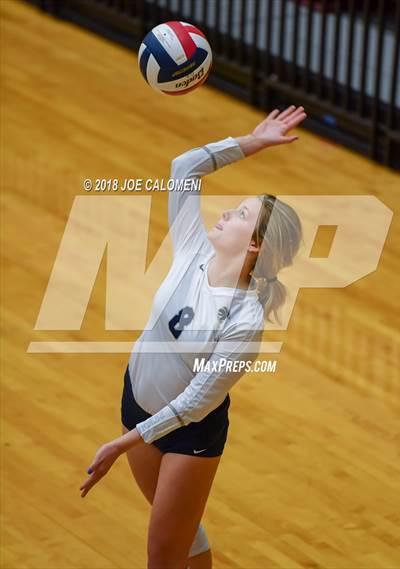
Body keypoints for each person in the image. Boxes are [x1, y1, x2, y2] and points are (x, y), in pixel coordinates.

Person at [79, 105, 306, 569]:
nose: (226, 211)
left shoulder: (245, 321)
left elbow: (195, 404)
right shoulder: (192, 247)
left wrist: (122, 444)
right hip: (135, 404)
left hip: (189, 435)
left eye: (241, 214)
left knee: (162, 554)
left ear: (256, 244)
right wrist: (253, 141)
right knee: (182, 534)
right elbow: (184, 167)